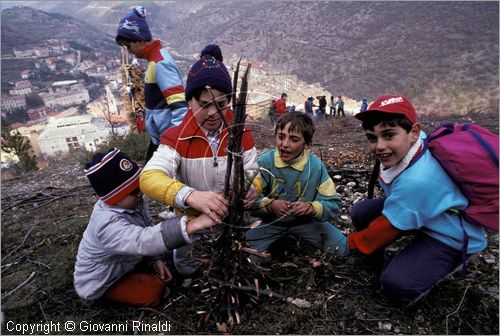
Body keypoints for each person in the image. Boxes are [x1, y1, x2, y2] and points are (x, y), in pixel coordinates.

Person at [348, 95, 487, 304]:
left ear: (413, 132)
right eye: (372, 137)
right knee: (362, 212)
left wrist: (347, 243)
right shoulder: (414, 142)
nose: (379, 146)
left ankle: (439, 264)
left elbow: (383, 229)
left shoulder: (417, 180)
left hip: (449, 234)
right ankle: (379, 263)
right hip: (423, 213)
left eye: (388, 135)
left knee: (397, 284)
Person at [140, 44, 259, 276]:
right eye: (204, 104)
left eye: (221, 105)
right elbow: (149, 177)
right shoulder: (177, 137)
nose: (213, 113)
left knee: (242, 265)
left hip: (233, 223)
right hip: (194, 226)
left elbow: (254, 170)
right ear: (190, 101)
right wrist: (191, 196)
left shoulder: (240, 133)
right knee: (191, 271)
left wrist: (253, 186)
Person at [74, 148, 219, 307]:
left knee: (167, 245)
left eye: (140, 187)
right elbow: (141, 240)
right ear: (112, 198)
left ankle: (142, 270)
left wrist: (154, 259)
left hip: (126, 260)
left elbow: (147, 226)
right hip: (104, 280)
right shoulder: (105, 224)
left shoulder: (134, 203)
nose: (140, 194)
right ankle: (102, 297)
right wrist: (194, 224)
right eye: (132, 191)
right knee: (155, 291)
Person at [246, 112, 349, 260]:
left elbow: (333, 204)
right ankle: (281, 241)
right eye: (281, 136)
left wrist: (311, 208)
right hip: (270, 223)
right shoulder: (265, 163)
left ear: (306, 144)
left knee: (342, 249)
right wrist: (270, 205)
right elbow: (250, 200)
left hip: (307, 223)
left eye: (294, 139)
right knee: (245, 254)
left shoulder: (315, 167)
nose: (285, 144)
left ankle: (291, 239)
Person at [115, 6, 188, 162]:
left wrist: (174, 141)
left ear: (140, 39)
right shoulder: (155, 60)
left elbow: (180, 106)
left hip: (168, 140)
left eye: (129, 46)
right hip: (162, 137)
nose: (129, 51)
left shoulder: (160, 63)